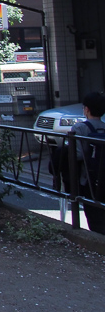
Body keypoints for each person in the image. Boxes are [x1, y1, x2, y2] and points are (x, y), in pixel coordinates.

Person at [71, 92, 105, 234]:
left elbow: (77, 154)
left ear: (87, 109)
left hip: (89, 180)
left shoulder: (80, 128)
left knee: (94, 217)